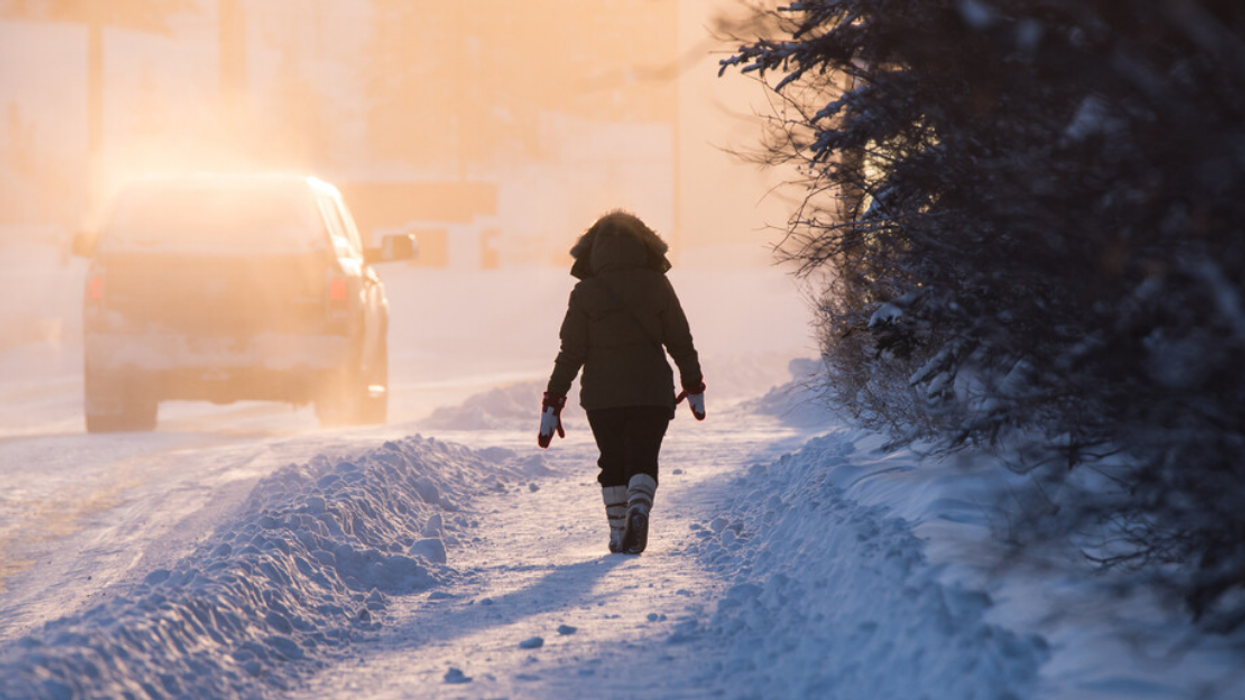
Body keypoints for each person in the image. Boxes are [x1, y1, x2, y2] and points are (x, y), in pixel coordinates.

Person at [537, 211, 705, 555]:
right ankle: (639, 507)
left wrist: (553, 400)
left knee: (611, 461)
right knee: (643, 456)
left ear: (593, 251)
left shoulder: (585, 292)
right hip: (651, 392)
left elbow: (570, 353)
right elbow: (680, 340)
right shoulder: (658, 285)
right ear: (644, 247)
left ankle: (618, 532)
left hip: (602, 396)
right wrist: (694, 384)